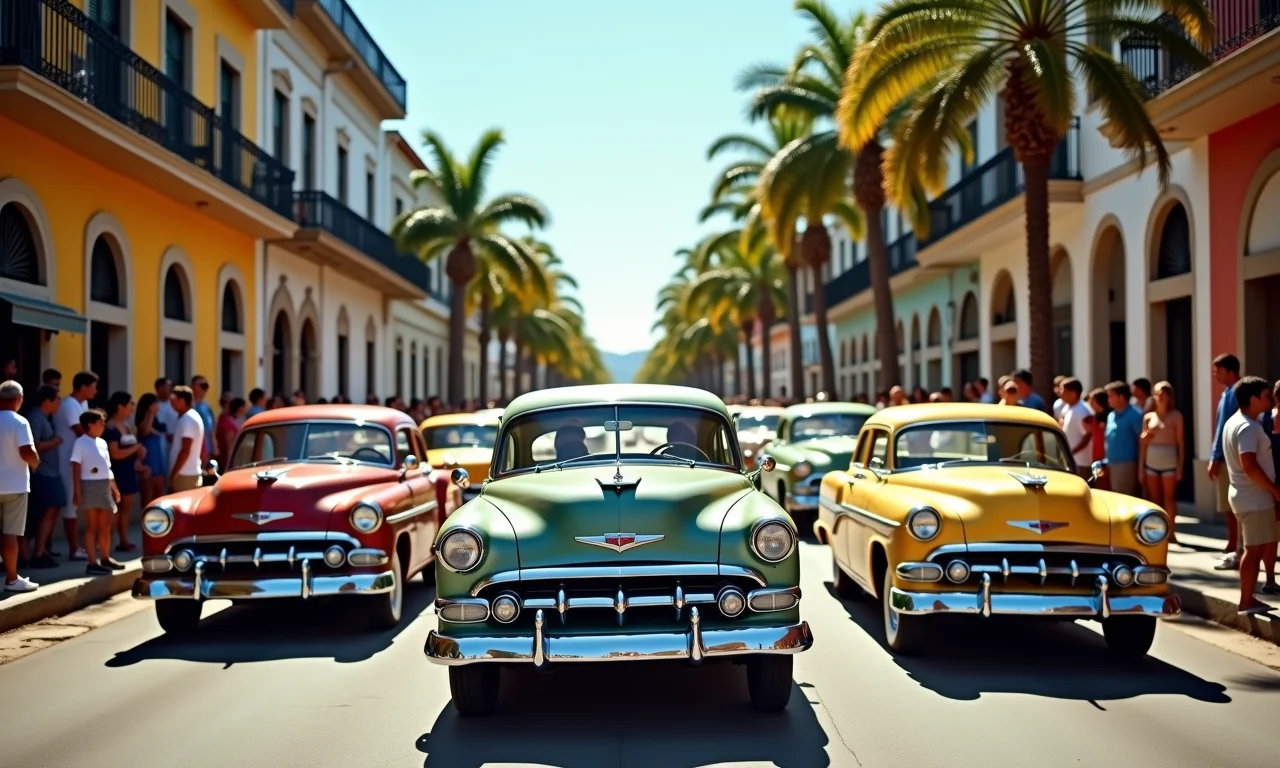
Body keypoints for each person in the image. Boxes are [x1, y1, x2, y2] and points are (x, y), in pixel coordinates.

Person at [1221, 376, 1280, 613]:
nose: (1269, 399)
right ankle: (1247, 600)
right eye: (1265, 395)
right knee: (1253, 550)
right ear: (1253, 399)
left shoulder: (1235, 422)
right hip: (1253, 498)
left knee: (1252, 548)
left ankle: (1248, 598)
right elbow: (1249, 465)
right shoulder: (1247, 427)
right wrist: (1274, 489)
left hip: (1244, 495)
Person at [0, 381, 40, 592]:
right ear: (18, 399)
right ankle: (12, 579)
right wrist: (36, 463)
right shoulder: (19, 422)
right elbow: (27, 451)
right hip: (14, 485)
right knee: (10, 534)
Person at [70, 409, 121, 576]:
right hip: (89, 485)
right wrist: (77, 491)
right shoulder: (80, 443)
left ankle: (105, 558)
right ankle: (92, 562)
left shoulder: (102, 443)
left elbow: (108, 468)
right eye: (100, 423)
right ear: (90, 425)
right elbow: (76, 468)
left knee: (106, 526)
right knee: (92, 526)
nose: (103, 426)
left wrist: (113, 487)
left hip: (104, 486)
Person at [54, 371, 97, 561]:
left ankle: (80, 545)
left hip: (80, 459)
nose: (96, 391)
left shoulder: (82, 404)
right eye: (93, 387)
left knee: (77, 503)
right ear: (83, 387)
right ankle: (73, 548)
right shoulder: (69, 405)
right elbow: (81, 431)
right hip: (67, 460)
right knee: (71, 503)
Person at [1208, 353, 1243, 570]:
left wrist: (1215, 457)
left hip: (1229, 458)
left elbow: (1224, 429)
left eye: (1218, 370)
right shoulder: (1227, 393)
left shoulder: (1235, 393)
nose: (1214, 374)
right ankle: (1234, 544)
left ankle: (1237, 548)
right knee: (1228, 505)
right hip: (1227, 456)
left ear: (1229, 370)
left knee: (1232, 505)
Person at [1141, 381, 1185, 544]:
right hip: (1151, 460)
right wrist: (1141, 467)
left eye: (1163, 393)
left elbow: (1181, 443)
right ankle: (1155, 532)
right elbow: (1143, 445)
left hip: (1169, 460)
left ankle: (1171, 531)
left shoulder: (1176, 416)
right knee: (1154, 499)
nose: (1159, 397)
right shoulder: (1148, 417)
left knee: (1169, 498)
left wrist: (1180, 466)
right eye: (1157, 393)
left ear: (1169, 396)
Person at [26, 386, 64, 568]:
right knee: (46, 511)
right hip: (42, 473)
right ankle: (38, 552)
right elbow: (33, 446)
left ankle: (42, 550)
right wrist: (55, 442)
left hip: (51, 472)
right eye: (57, 399)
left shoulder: (45, 418)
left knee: (54, 508)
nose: (59, 403)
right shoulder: (36, 418)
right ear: (47, 400)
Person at [104, 392, 143, 553]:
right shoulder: (111, 427)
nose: (132, 407)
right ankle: (108, 543)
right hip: (118, 472)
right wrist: (137, 448)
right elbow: (116, 453)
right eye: (130, 404)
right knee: (116, 509)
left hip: (129, 471)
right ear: (120, 406)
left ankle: (123, 541)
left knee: (126, 507)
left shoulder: (127, 425)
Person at [1104, 381, 1142, 496]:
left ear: (1121, 397)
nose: (1108, 399)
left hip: (1126, 464)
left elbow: (1141, 441)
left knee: (1125, 497)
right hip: (1111, 463)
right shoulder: (1111, 415)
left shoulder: (1135, 415)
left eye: (1111, 396)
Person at [168, 386, 205, 493]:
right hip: (187, 475)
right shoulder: (188, 417)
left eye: (173, 399)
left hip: (185, 476)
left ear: (182, 400)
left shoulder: (188, 419)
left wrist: (173, 475)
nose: (171, 402)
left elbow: (185, 450)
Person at [135, 393, 168, 507]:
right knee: (147, 500)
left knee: (159, 499)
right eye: (155, 403)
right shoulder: (142, 420)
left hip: (159, 464)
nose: (157, 406)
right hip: (148, 463)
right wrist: (151, 413)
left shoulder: (157, 421)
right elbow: (145, 430)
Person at [1059, 378, 1094, 479]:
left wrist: (1071, 452)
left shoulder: (1083, 411)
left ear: (1073, 393)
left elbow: (1088, 436)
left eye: (1063, 390)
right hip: (1070, 460)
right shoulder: (1067, 408)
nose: (1060, 393)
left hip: (1080, 462)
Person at [190, 375, 215, 462]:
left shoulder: (206, 406)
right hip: (195, 446)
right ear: (192, 387)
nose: (205, 388)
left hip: (207, 446)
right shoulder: (189, 406)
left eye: (206, 385)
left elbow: (211, 427)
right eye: (202, 385)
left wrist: (214, 445)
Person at [216, 397, 246, 468]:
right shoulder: (228, 423)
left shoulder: (237, 420)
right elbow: (229, 446)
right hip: (230, 461)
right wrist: (230, 464)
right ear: (240, 408)